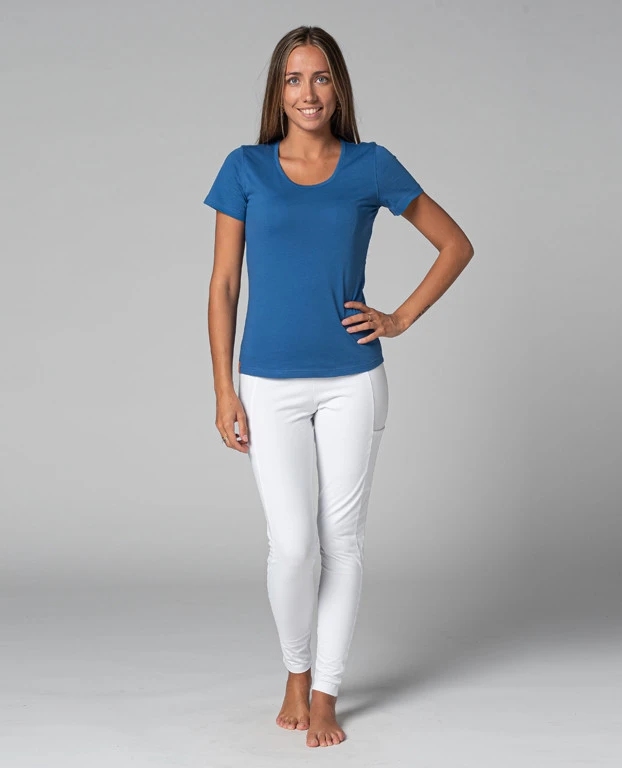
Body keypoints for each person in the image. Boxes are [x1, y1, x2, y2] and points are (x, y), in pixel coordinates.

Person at [204, 25, 474, 749]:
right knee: (293, 545)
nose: (308, 92)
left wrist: (400, 317)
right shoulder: (244, 168)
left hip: (353, 380)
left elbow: (455, 244)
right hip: (267, 382)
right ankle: (295, 671)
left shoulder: (370, 165)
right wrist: (224, 390)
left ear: (339, 87)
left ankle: (325, 692)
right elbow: (224, 285)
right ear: (277, 91)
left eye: (321, 77)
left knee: (341, 542)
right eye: (294, 79)